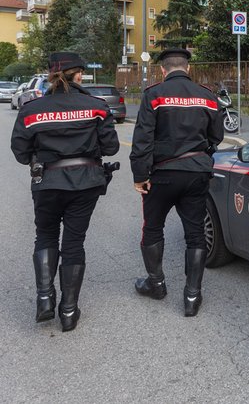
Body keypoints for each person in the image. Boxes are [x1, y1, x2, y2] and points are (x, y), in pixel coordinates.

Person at [10, 52, 120, 332]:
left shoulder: (31, 108)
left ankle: (45, 299)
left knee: (45, 235)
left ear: (51, 74)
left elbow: (21, 153)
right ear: (78, 74)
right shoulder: (96, 106)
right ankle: (69, 312)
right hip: (85, 183)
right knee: (74, 242)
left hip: (46, 182)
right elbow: (111, 148)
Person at [130, 47, 224, 317]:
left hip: (161, 174)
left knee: (152, 228)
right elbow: (216, 136)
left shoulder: (154, 95)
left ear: (162, 69)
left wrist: (140, 175)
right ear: (188, 68)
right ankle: (192, 296)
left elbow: (143, 139)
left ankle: (156, 285)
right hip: (196, 173)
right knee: (195, 234)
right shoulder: (208, 96)